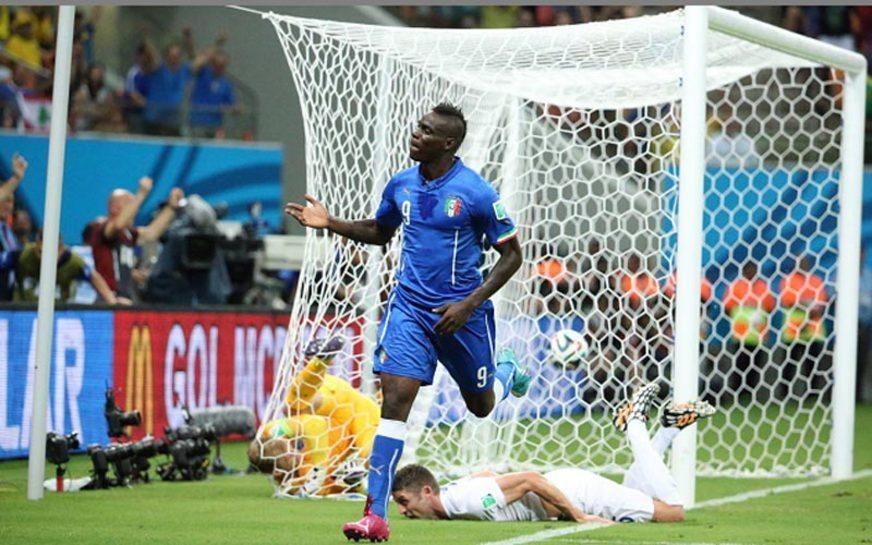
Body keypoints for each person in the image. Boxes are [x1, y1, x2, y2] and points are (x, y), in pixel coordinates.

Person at [286, 102, 529, 542]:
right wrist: (330, 223)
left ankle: (506, 371)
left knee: (481, 405)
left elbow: (512, 255)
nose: (415, 134)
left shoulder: (475, 192)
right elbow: (380, 232)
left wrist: (469, 303)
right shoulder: (401, 184)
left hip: (460, 314)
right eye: (417, 127)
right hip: (411, 310)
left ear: (448, 143)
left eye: (426, 131)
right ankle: (375, 515)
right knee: (395, 398)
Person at [391, 384, 715, 525]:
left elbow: (530, 479)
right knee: (640, 493)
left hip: (579, 494)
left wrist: (576, 513)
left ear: (427, 491)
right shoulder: (455, 495)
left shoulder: (467, 502)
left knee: (673, 512)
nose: (403, 511)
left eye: (404, 501)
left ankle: (634, 425)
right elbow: (488, 475)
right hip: (567, 487)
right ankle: (669, 429)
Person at [248, 337, 379, 496]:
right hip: (344, 422)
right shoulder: (298, 475)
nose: (294, 454)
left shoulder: (270, 434)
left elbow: (315, 424)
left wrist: (319, 469)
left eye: (289, 450)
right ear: (277, 472)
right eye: (289, 457)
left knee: (294, 406)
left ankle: (318, 362)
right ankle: (364, 480)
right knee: (371, 456)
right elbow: (326, 489)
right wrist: (353, 483)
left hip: (346, 406)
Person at [85, 176, 184, 303]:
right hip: (108, 300)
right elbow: (118, 224)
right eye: (130, 205)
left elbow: (151, 233)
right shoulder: (100, 228)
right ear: (114, 208)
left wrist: (171, 207)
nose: (135, 210)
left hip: (125, 299)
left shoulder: (128, 234)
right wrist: (141, 194)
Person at [12, 230, 120, 304]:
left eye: (52, 252)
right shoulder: (22, 255)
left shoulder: (72, 261)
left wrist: (111, 300)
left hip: (59, 313)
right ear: (36, 246)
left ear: (60, 248)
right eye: (41, 252)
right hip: (23, 312)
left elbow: (93, 276)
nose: (46, 258)